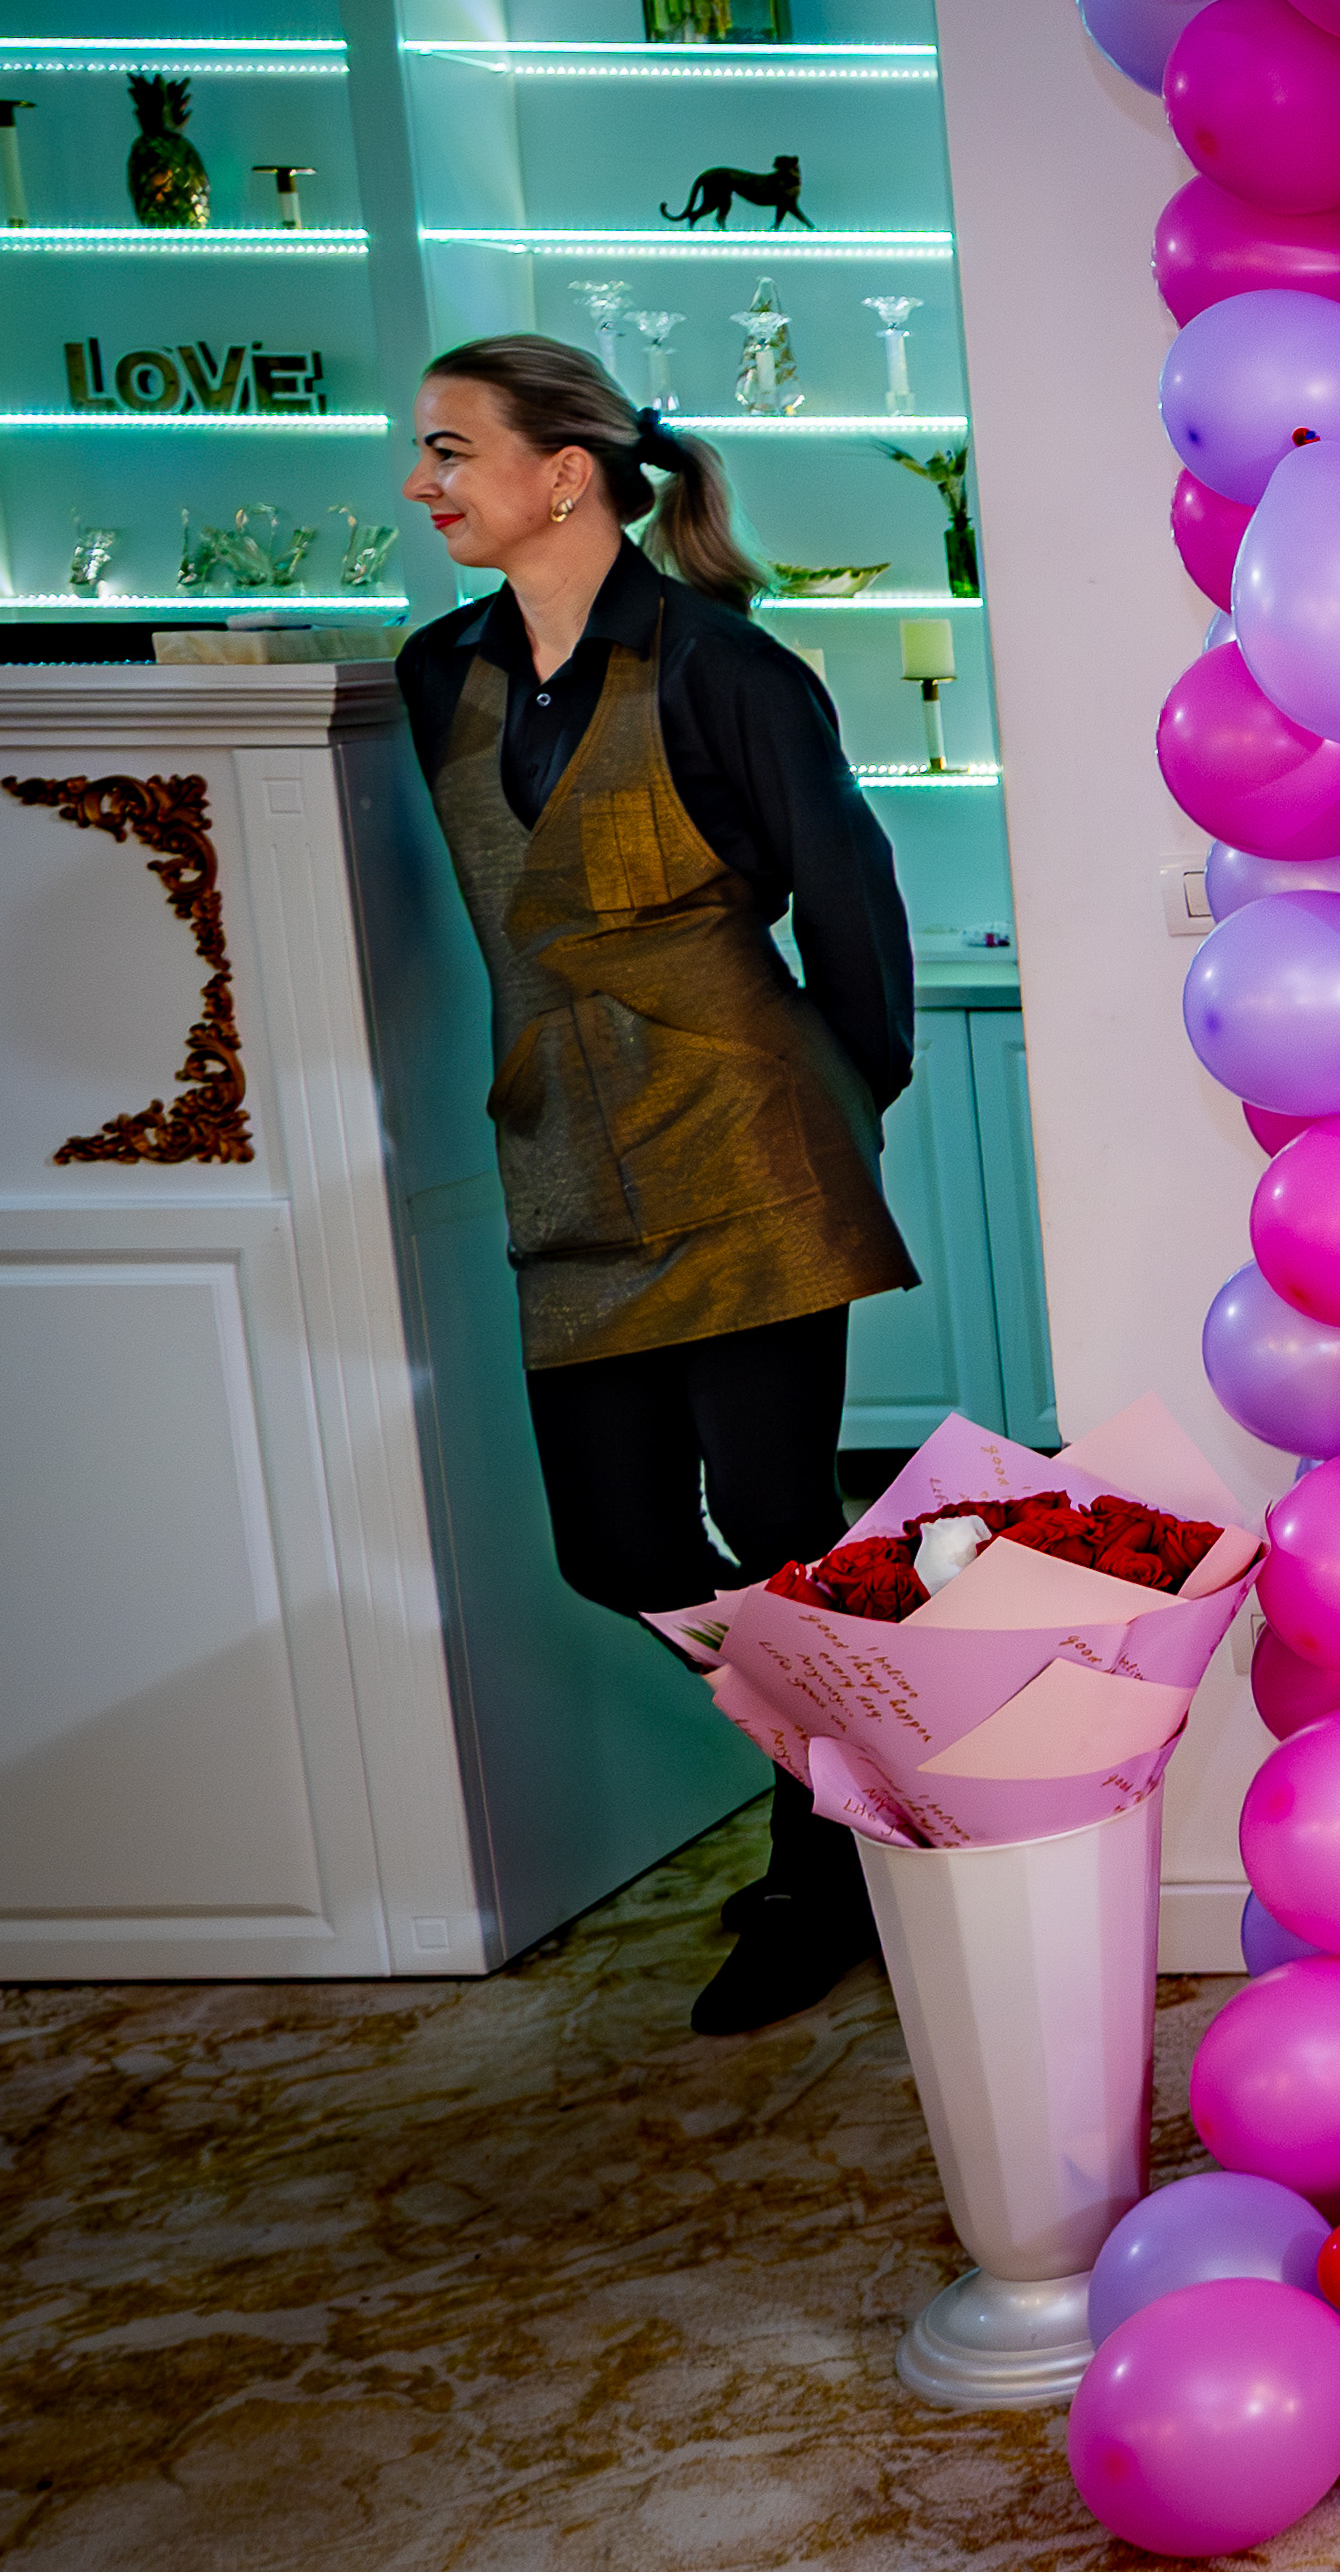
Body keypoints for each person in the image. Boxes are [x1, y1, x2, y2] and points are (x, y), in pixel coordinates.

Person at [396, 334, 919, 2034]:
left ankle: (822, 1864)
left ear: (563, 473)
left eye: (450, 448)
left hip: (747, 1139)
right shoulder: (437, 672)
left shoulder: (724, 666)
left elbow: (850, 895)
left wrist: (842, 1100)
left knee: (776, 1521)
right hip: (563, 1149)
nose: (420, 481)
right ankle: (869, 1762)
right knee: (610, 1539)